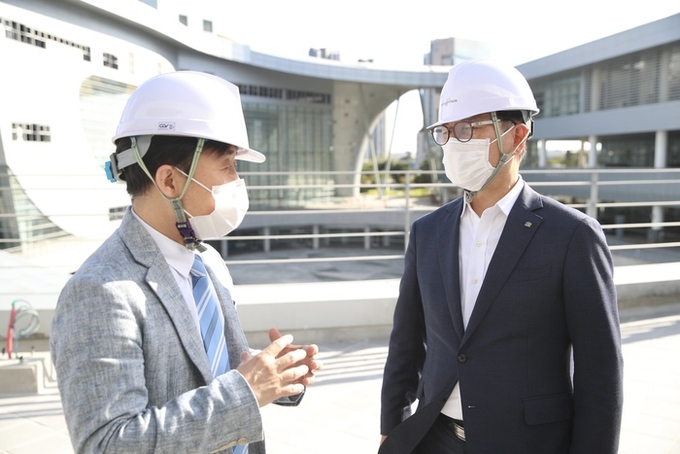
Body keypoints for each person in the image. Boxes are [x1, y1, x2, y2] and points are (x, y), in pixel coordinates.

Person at [50, 71, 321, 454]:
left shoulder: (207, 262)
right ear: (170, 181)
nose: (237, 181)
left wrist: (273, 375)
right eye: (228, 166)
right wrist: (247, 390)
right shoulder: (99, 292)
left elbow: (217, 373)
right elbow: (108, 444)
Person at [379, 59, 623, 454]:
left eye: (467, 129)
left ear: (517, 135)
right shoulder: (427, 232)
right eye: (445, 131)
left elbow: (601, 371)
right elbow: (405, 342)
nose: (452, 143)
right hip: (434, 438)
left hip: (528, 443)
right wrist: (392, 425)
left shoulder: (572, 235)